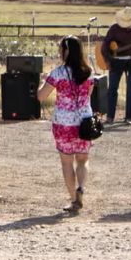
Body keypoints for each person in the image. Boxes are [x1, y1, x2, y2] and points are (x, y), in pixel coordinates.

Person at [38, 36, 98, 214]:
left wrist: (44, 79)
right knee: (83, 160)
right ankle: (81, 187)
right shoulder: (89, 72)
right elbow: (89, 93)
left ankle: (73, 199)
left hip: (63, 122)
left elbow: (41, 96)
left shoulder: (57, 73)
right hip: (84, 122)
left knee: (66, 162)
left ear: (65, 51)